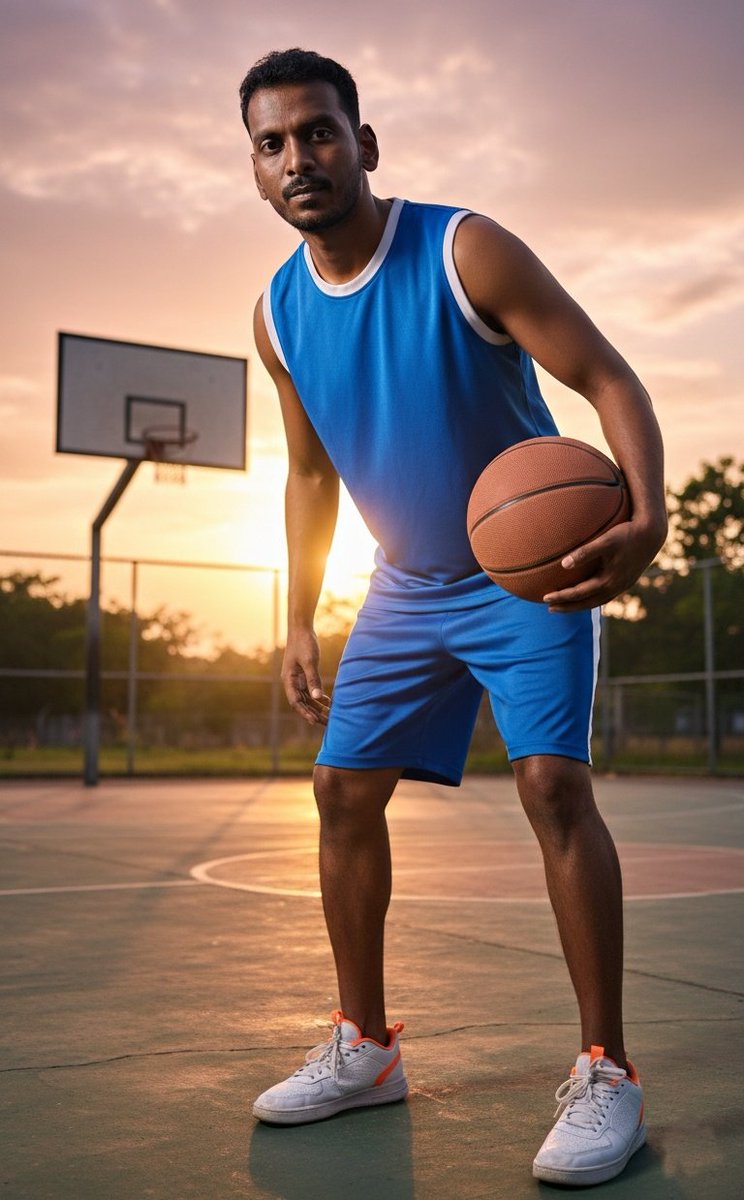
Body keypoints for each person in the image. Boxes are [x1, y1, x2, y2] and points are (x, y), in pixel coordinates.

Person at [239, 47, 667, 1187]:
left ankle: (604, 1069)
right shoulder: (277, 314)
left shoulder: (464, 247)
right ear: (255, 169)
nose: (300, 159)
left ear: (363, 143)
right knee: (339, 792)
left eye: (319, 132)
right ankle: (366, 1046)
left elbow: (609, 377)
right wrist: (297, 615)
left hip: (524, 577)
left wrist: (651, 517)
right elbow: (310, 475)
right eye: (273, 144)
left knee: (552, 785)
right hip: (402, 586)